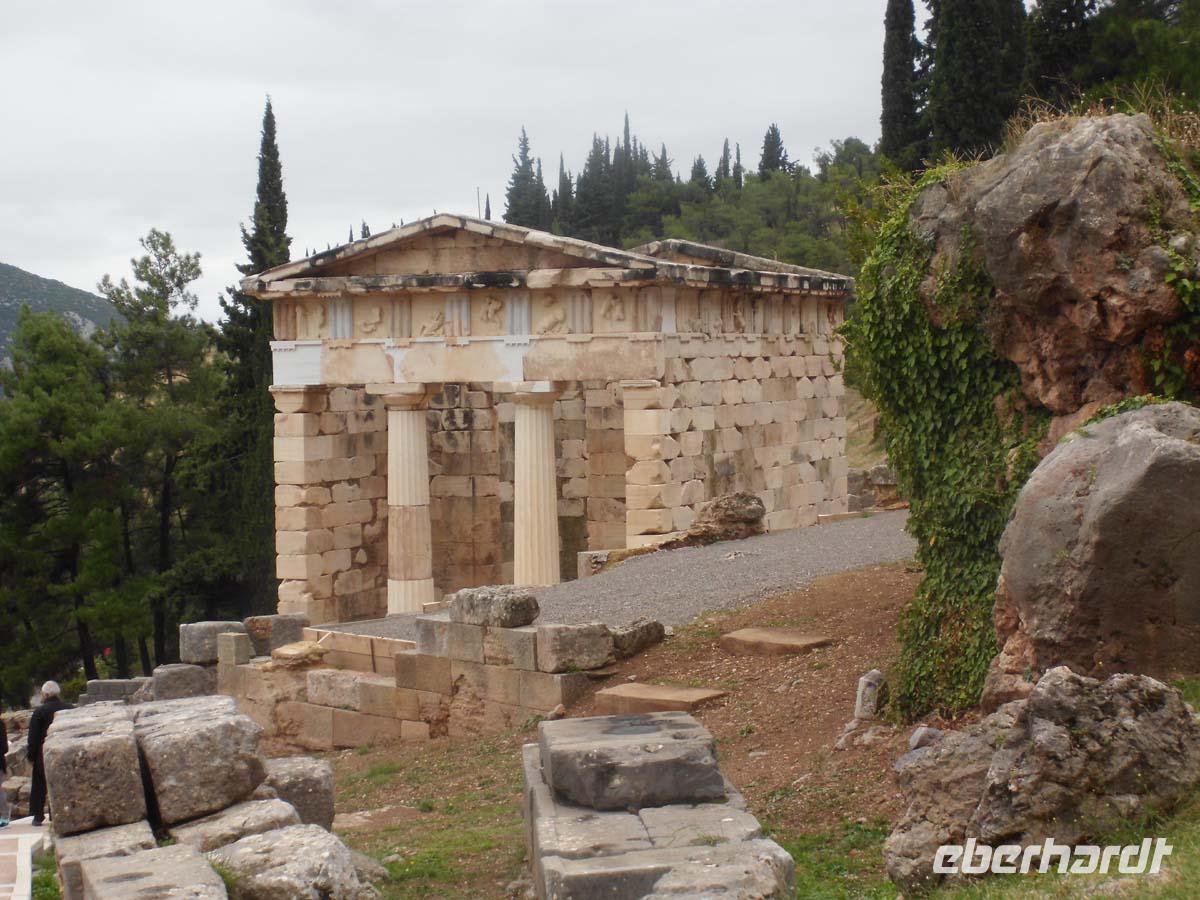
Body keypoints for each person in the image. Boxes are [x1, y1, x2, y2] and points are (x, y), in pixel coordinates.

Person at [27, 681, 71, 827]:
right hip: (65, 751)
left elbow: (33, 737)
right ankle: (57, 813)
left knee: (40, 785)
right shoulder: (69, 708)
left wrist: (31, 756)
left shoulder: (39, 712)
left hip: (43, 753)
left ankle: (38, 816)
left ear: (45, 694)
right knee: (63, 783)